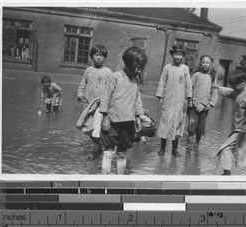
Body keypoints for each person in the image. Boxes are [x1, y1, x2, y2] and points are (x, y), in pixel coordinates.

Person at [99, 46, 147, 175]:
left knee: (122, 152)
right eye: (137, 67)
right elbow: (105, 98)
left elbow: (137, 99)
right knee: (108, 151)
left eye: (141, 67)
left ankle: (120, 177)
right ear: (129, 63)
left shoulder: (136, 81)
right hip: (112, 121)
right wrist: (105, 117)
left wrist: (138, 117)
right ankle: (105, 177)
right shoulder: (114, 77)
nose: (139, 70)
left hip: (128, 122)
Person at [214, 71, 246, 175]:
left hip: (245, 128)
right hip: (238, 128)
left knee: (226, 149)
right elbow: (229, 92)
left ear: (242, 82)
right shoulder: (238, 92)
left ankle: (227, 173)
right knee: (237, 151)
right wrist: (217, 87)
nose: (233, 87)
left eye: (235, 85)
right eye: (232, 86)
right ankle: (230, 171)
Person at [156, 44, 192, 157]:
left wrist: (188, 98)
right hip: (168, 100)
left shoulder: (185, 69)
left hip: (180, 102)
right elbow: (162, 82)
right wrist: (160, 97)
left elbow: (188, 85)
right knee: (165, 124)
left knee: (177, 125)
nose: (178, 57)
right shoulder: (167, 67)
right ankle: (162, 148)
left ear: (183, 56)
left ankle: (174, 149)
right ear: (172, 55)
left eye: (180, 55)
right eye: (176, 54)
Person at [77, 44, 112, 161]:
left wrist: (106, 102)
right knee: (88, 128)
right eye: (97, 55)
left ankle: (95, 151)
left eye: (102, 56)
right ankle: (100, 144)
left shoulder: (107, 72)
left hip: (100, 106)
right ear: (92, 56)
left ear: (105, 58)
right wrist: (80, 94)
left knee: (96, 128)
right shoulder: (88, 71)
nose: (99, 58)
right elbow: (83, 85)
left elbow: (110, 89)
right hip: (88, 105)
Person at [186, 55, 218, 152]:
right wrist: (190, 100)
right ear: (200, 63)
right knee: (192, 126)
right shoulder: (196, 75)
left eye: (207, 62)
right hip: (193, 105)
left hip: (205, 107)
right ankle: (189, 144)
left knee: (200, 127)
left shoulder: (212, 77)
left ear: (211, 65)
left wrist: (211, 103)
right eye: (203, 62)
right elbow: (189, 88)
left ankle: (197, 144)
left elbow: (215, 90)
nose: (205, 64)